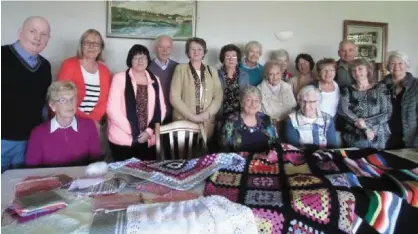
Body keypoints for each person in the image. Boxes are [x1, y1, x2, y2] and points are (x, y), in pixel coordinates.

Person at [1, 16, 52, 172]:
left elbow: (43, 105)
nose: (38, 37)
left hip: (30, 143)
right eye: (32, 31)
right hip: (3, 142)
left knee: (22, 190)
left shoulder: (45, 66)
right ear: (19, 32)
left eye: (44, 34)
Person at [107, 44, 166, 161]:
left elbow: (161, 109)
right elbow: (112, 110)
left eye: (144, 57)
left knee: (147, 175)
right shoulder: (119, 78)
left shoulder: (155, 79)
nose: (140, 60)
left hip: (149, 138)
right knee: (124, 176)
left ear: (148, 60)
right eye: (136, 57)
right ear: (130, 59)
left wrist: (149, 132)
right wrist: (135, 132)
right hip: (123, 139)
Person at [26, 81, 103, 167]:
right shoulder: (38, 133)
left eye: (72, 99)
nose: (70, 104)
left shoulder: (89, 126)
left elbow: (97, 163)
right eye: (63, 100)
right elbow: (32, 170)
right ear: (53, 106)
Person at [58, 29, 111, 132]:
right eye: (87, 43)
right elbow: (60, 97)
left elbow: (105, 100)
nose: (91, 46)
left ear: (100, 48)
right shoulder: (69, 65)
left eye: (96, 44)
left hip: (94, 124)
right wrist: (87, 121)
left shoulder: (105, 71)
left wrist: (94, 120)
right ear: (81, 45)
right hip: (68, 122)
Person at [170, 37, 222, 139]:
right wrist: (192, 116)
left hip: (206, 122)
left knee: (204, 152)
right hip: (184, 120)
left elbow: (218, 96)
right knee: (184, 152)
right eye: (192, 49)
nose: (196, 52)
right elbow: (174, 97)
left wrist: (208, 114)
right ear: (188, 52)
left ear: (204, 52)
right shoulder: (180, 69)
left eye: (199, 49)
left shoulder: (212, 70)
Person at [338, 59, 392, 149]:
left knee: (377, 161)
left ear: (368, 70)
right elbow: (343, 110)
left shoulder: (380, 88)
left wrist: (365, 124)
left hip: (378, 135)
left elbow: (387, 112)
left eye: (360, 69)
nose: (357, 72)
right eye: (353, 70)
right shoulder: (346, 90)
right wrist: (362, 126)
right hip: (354, 136)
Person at [221, 86, 279, 153]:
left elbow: (275, 144)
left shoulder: (267, 119)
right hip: (239, 162)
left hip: (265, 161)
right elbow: (225, 150)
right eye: (248, 100)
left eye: (256, 100)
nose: (253, 104)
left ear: (260, 103)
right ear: (241, 103)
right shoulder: (231, 121)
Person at [382, 51, 418, 149]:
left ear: (407, 65)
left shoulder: (416, 85)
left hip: (411, 140)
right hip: (385, 139)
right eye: (392, 63)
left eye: (400, 63)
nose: (396, 66)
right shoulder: (381, 86)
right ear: (388, 67)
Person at [285, 85, 339, 149]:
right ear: (299, 102)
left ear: (318, 102)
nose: (306, 106)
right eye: (303, 101)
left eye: (311, 102)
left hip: (325, 155)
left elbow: (332, 146)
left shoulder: (327, 119)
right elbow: (294, 148)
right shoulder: (292, 120)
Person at [149, 35, 179, 124]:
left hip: (173, 116)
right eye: (161, 47)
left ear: (172, 48)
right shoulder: (146, 67)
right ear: (155, 48)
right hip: (153, 117)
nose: (165, 51)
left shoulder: (178, 67)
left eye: (168, 47)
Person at [217, 44, 251, 121]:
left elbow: (247, 96)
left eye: (234, 56)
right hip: (221, 115)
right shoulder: (216, 75)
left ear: (237, 59)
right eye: (228, 56)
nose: (231, 59)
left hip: (240, 115)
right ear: (223, 59)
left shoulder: (244, 75)